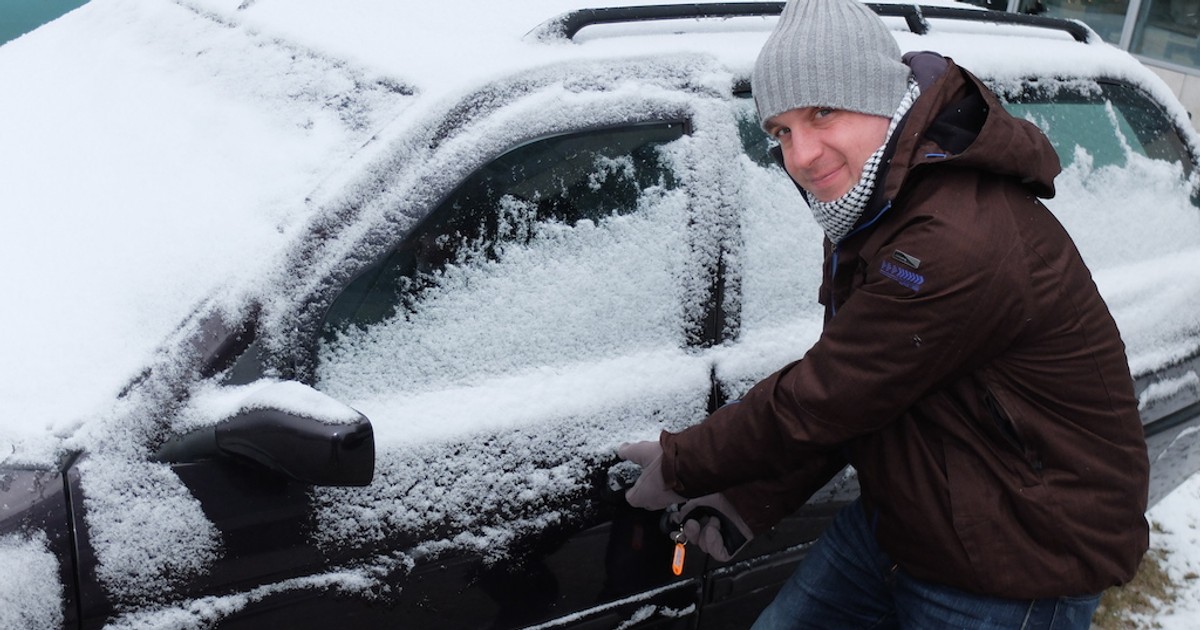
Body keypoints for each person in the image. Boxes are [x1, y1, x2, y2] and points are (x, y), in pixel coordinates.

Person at [617, 0, 1151, 627]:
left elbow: (830, 392)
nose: (803, 154)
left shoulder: (954, 238)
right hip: (912, 516)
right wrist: (746, 493)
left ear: (878, 97)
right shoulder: (873, 204)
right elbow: (865, 389)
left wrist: (687, 461)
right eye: (782, 131)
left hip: (1019, 557)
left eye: (822, 112)